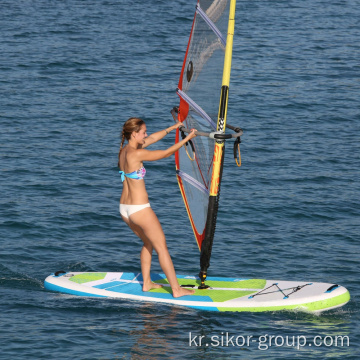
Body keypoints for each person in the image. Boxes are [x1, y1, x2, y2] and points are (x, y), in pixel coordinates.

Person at [118, 117, 196, 298]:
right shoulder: (136, 154)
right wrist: (187, 139)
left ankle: (146, 283)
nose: (146, 135)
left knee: (148, 243)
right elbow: (166, 153)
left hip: (125, 209)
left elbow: (152, 139)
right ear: (134, 133)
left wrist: (173, 128)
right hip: (140, 209)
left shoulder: (124, 151)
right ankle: (176, 290)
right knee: (162, 248)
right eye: (143, 132)